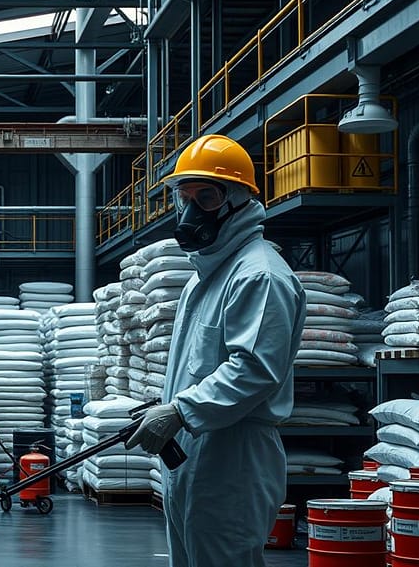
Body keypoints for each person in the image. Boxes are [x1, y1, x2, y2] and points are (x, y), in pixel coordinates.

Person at [125, 134, 307, 567]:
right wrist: (170, 405)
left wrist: (180, 411)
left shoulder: (259, 275)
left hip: (233, 457)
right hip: (192, 450)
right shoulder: (204, 277)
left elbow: (254, 371)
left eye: (206, 197)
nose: (190, 212)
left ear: (240, 200)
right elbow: (202, 365)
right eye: (183, 198)